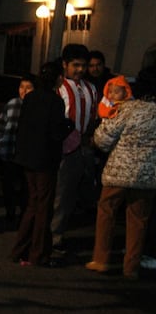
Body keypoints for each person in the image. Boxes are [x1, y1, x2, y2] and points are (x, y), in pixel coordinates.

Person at [85, 72, 156, 281]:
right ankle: (131, 267)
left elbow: (103, 139)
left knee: (107, 212)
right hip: (148, 177)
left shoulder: (126, 110)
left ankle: (101, 259)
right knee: (138, 221)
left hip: (118, 173)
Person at [9, 62, 73, 268]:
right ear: (58, 79)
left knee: (32, 203)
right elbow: (55, 133)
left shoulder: (30, 98)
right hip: (45, 159)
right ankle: (38, 253)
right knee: (43, 207)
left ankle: (20, 249)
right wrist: (68, 127)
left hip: (27, 157)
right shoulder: (55, 102)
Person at [51, 43, 99, 252]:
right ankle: (55, 235)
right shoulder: (59, 88)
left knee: (77, 194)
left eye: (83, 65)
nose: (80, 69)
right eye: (76, 65)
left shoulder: (91, 88)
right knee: (62, 193)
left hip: (84, 148)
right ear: (65, 64)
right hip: (63, 149)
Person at [0, 73, 36, 223]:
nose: (24, 91)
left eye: (28, 87)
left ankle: (24, 213)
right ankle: (10, 212)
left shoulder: (35, 106)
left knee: (25, 186)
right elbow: (1, 123)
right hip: (9, 151)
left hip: (26, 154)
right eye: (21, 87)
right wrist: (0, 142)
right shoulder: (13, 103)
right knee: (8, 185)